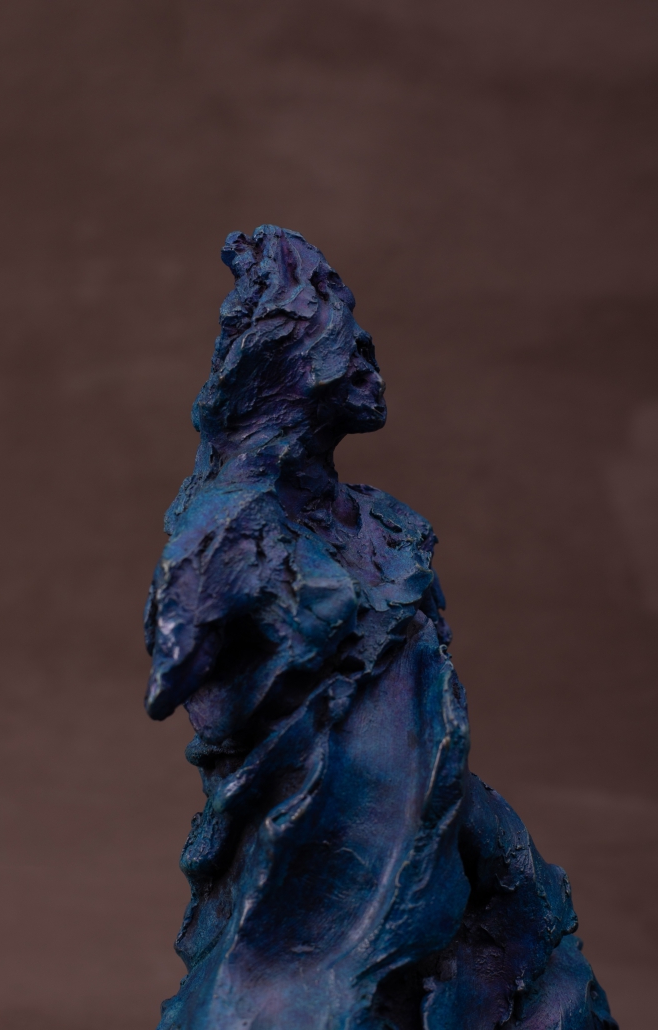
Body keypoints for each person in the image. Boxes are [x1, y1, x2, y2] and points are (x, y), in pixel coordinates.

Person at [144, 225, 616, 1030]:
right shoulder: (229, 528)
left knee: (537, 962)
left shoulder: (385, 522)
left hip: (438, 814)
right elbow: (175, 679)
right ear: (293, 371)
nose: (372, 370)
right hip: (318, 843)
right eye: (350, 352)